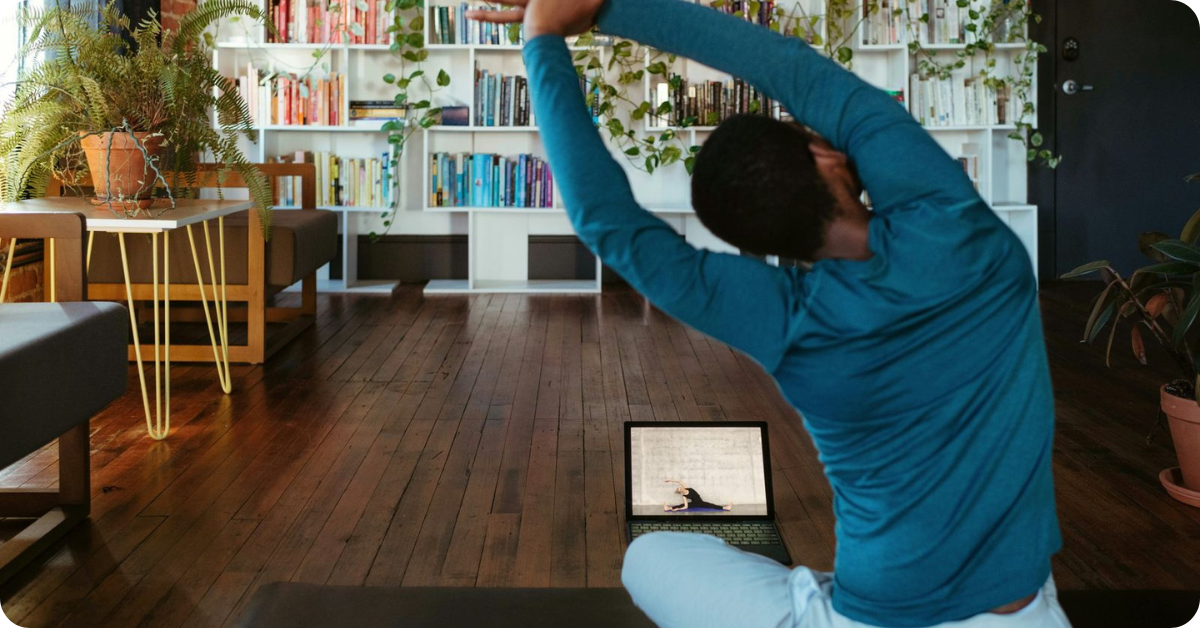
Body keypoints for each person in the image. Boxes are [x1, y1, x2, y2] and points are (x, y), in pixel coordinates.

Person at [468, 1, 1069, 627]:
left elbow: (607, 223)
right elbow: (795, 71)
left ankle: (815, 593)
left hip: (871, 616)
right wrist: (602, 7)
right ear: (828, 160)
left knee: (649, 555)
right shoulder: (964, 233)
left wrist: (540, 38)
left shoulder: (792, 323)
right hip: (1021, 614)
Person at [663, 479, 733, 512]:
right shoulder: (684, 496)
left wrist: (670, 480)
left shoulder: (687, 487)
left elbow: (679, 481)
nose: (680, 487)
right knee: (710, 505)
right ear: (681, 491)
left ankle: (726, 508)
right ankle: (669, 508)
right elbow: (686, 506)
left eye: (680, 487)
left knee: (710, 505)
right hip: (697, 503)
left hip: (698, 502)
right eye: (679, 488)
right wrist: (678, 509)